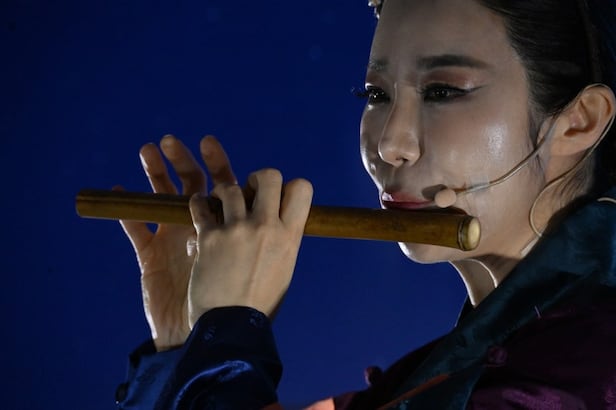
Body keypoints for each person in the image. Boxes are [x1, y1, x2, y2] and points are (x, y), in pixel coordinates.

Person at [113, 0, 616, 408]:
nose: (391, 143)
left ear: (579, 122)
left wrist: (226, 332)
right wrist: (183, 346)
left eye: (443, 91)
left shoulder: (580, 374)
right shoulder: (457, 367)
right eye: (376, 94)